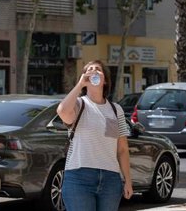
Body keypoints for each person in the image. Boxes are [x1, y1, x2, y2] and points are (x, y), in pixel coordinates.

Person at [57, 60, 133, 211]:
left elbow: (122, 149)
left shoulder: (116, 109)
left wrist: (128, 181)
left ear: (104, 80)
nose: (93, 71)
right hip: (79, 178)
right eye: (89, 70)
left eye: (98, 69)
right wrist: (80, 85)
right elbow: (62, 111)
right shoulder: (79, 104)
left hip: (111, 179)